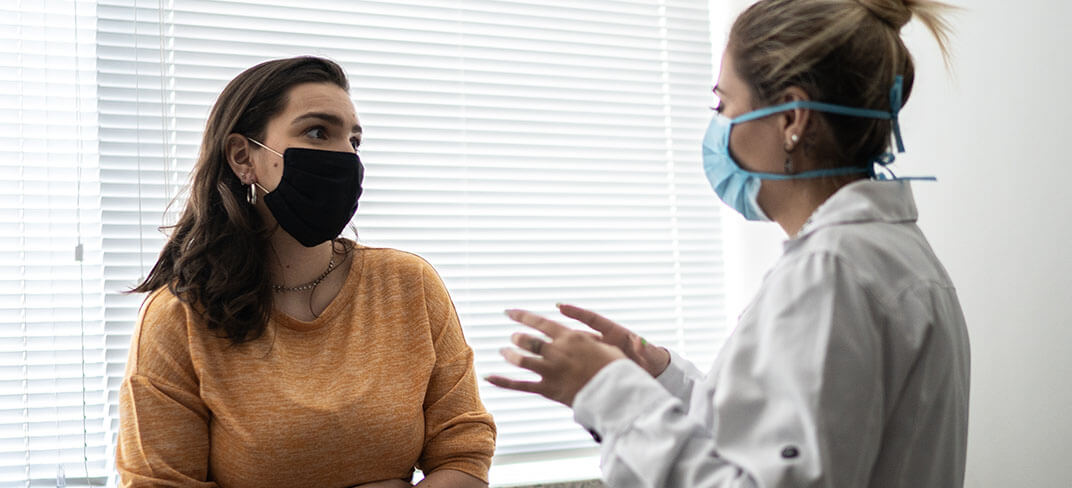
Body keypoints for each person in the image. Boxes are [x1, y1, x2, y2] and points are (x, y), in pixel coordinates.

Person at [487, 0, 969, 486]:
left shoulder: (830, 273)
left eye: (723, 104)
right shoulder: (893, 255)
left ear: (792, 120)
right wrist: (657, 377)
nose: (716, 127)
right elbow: (776, 436)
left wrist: (609, 393)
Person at [117, 56, 495, 488]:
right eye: (318, 132)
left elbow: (464, 453)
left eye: (354, 141)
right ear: (244, 157)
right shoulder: (178, 318)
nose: (345, 156)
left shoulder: (408, 285)